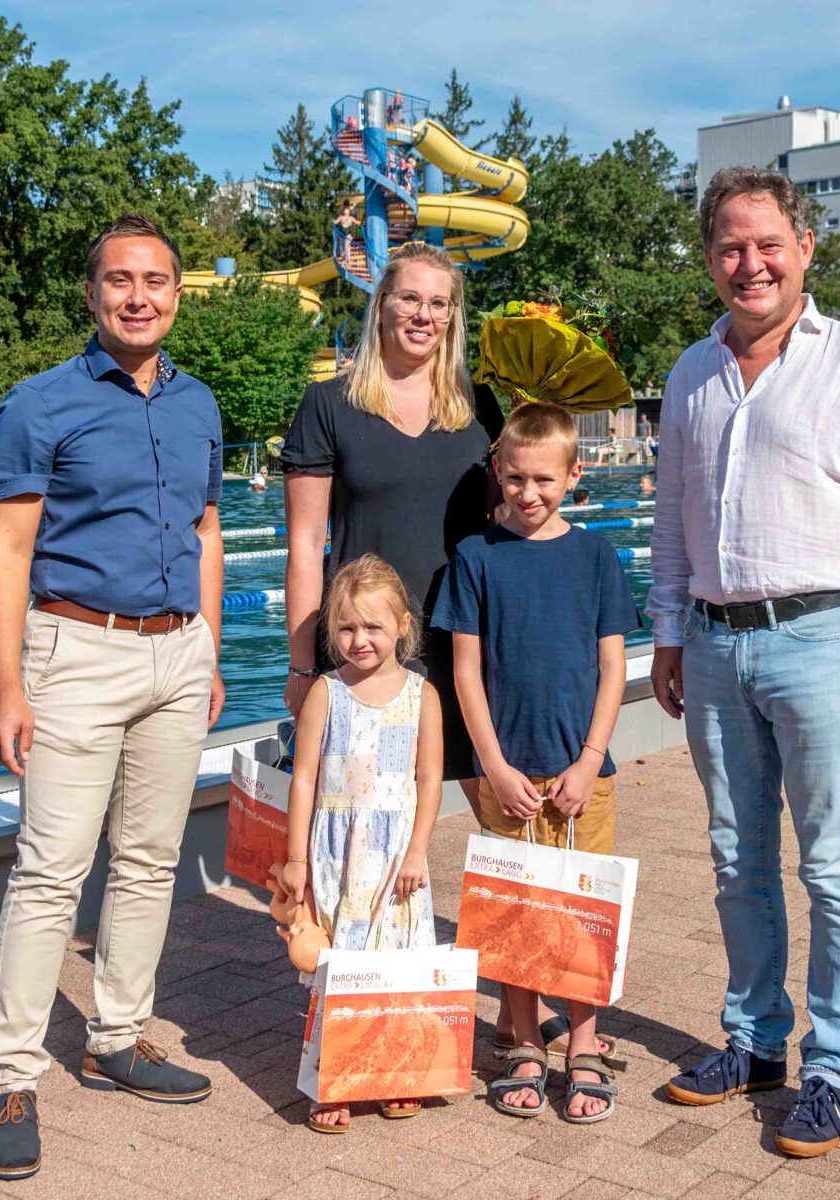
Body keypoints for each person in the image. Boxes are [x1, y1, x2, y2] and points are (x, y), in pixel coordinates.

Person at [648, 168, 840, 1157]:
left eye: (767, 244)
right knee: (736, 854)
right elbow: (671, 523)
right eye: (731, 248)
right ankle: (753, 1041)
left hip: (822, 637)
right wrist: (666, 631)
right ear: (711, 262)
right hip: (711, 642)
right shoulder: (690, 375)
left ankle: (831, 1068)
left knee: (830, 861)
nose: (751, 264)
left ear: (804, 249)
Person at [0, 214, 225, 1182]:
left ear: (174, 293)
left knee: (150, 859)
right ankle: (9, 1073)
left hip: (175, 655)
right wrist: (8, 685)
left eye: (156, 281)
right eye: (120, 280)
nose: (138, 296)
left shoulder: (198, 404)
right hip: (75, 650)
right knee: (49, 870)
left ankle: (118, 1035)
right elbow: (6, 549)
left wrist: (204, 654)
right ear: (90, 294)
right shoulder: (40, 405)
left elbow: (205, 530)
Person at [434, 402, 638, 1124]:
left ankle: (583, 1044)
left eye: (544, 480)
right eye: (515, 478)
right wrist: (490, 765)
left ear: (575, 476)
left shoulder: (594, 557)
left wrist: (587, 763)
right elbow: (464, 672)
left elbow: (613, 670)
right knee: (515, 916)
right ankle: (525, 1042)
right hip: (507, 773)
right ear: (497, 473)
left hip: (584, 775)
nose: (528, 493)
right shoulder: (476, 558)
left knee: (583, 917)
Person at [280, 241, 504, 799]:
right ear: (381, 304)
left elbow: (513, 525)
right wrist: (302, 665)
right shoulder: (328, 403)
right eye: (409, 298)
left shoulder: (480, 405)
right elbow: (306, 545)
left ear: (453, 316)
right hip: (364, 643)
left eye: (439, 303)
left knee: (497, 809)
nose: (423, 315)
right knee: (359, 816)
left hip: (463, 641)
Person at [280, 555, 440, 1133]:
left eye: (373, 626)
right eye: (346, 628)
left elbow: (428, 781)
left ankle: (393, 1070)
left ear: (402, 625)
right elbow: (302, 778)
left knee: (392, 964)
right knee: (341, 965)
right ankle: (335, 1074)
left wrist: (419, 849)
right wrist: (296, 859)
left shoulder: (422, 695)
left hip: (396, 852)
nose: (359, 639)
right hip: (336, 852)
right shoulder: (326, 692)